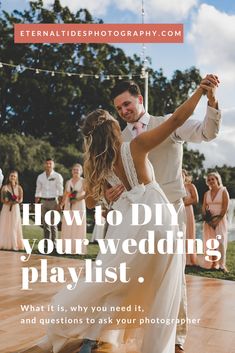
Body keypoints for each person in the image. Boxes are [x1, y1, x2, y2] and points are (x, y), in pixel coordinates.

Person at [33, 83, 205, 353]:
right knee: (163, 289)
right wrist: (200, 92)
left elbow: (89, 201)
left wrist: (107, 196)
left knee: (116, 283)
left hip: (129, 227)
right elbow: (177, 119)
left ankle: (91, 338)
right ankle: (161, 346)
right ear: (113, 125)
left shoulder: (99, 165)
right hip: (159, 220)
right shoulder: (135, 147)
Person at [108, 74, 221, 353]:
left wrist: (212, 101)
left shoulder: (169, 123)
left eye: (127, 104)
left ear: (140, 99)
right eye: (119, 108)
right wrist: (110, 197)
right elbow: (114, 186)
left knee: (173, 274)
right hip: (138, 218)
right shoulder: (119, 140)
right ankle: (128, 331)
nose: (124, 111)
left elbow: (207, 132)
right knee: (135, 273)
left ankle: (177, 338)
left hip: (171, 211)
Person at [202, 172, 229, 272]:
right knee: (211, 243)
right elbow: (204, 206)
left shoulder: (223, 191)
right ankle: (214, 263)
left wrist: (217, 220)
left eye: (213, 179)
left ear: (217, 179)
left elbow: (225, 207)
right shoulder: (206, 194)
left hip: (220, 220)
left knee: (221, 242)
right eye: (209, 180)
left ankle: (222, 265)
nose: (211, 181)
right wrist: (206, 218)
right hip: (209, 222)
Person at [35, 158, 63, 248]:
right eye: (47, 163)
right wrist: (37, 203)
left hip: (54, 201)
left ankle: (54, 245)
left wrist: (60, 204)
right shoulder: (40, 177)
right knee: (45, 224)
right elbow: (38, 190)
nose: (48, 165)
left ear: (53, 165)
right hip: (43, 202)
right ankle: (46, 245)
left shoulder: (57, 176)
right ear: (44, 165)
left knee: (53, 224)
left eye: (50, 164)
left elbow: (61, 191)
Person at [60, 163, 87, 254]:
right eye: (74, 169)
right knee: (68, 225)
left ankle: (77, 248)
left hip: (79, 205)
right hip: (69, 206)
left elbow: (87, 194)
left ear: (81, 171)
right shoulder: (68, 182)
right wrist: (62, 204)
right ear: (72, 171)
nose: (75, 171)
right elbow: (66, 193)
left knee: (78, 225)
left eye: (77, 170)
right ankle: (67, 247)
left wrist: (77, 199)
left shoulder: (84, 181)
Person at [0, 170, 24, 251]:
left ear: (16, 177)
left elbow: (21, 199)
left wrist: (15, 202)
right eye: (11, 176)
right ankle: (3, 243)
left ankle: (15, 244)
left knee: (14, 225)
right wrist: (7, 202)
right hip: (6, 208)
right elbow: (2, 199)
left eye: (14, 176)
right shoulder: (4, 187)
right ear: (9, 177)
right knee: (5, 224)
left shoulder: (19, 187)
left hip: (15, 208)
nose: (12, 177)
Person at [182, 169, 199, 266]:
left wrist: (183, 203)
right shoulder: (175, 186)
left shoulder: (190, 186)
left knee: (188, 232)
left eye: (182, 174)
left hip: (188, 211)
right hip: (178, 212)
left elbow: (196, 199)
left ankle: (189, 259)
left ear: (186, 176)